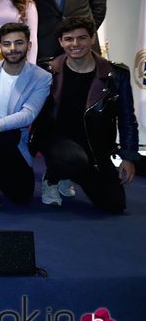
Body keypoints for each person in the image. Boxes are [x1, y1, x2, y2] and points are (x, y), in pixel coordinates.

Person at [30, 17, 139, 213]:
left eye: (81, 38)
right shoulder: (47, 70)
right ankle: (53, 178)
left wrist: (128, 157)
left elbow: (127, 118)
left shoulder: (116, 74)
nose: (75, 44)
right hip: (56, 140)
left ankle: (69, 173)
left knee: (114, 205)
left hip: (95, 146)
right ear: (61, 42)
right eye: (69, 39)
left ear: (92, 39)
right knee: (73, 159)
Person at [0, 23, 51, 207]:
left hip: (12, 141)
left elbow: (28, 114)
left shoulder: (41, 77)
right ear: (0, 47)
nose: (13, 49)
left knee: (21, 196)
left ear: (29, 46)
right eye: (7, 44)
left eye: (19, 43)